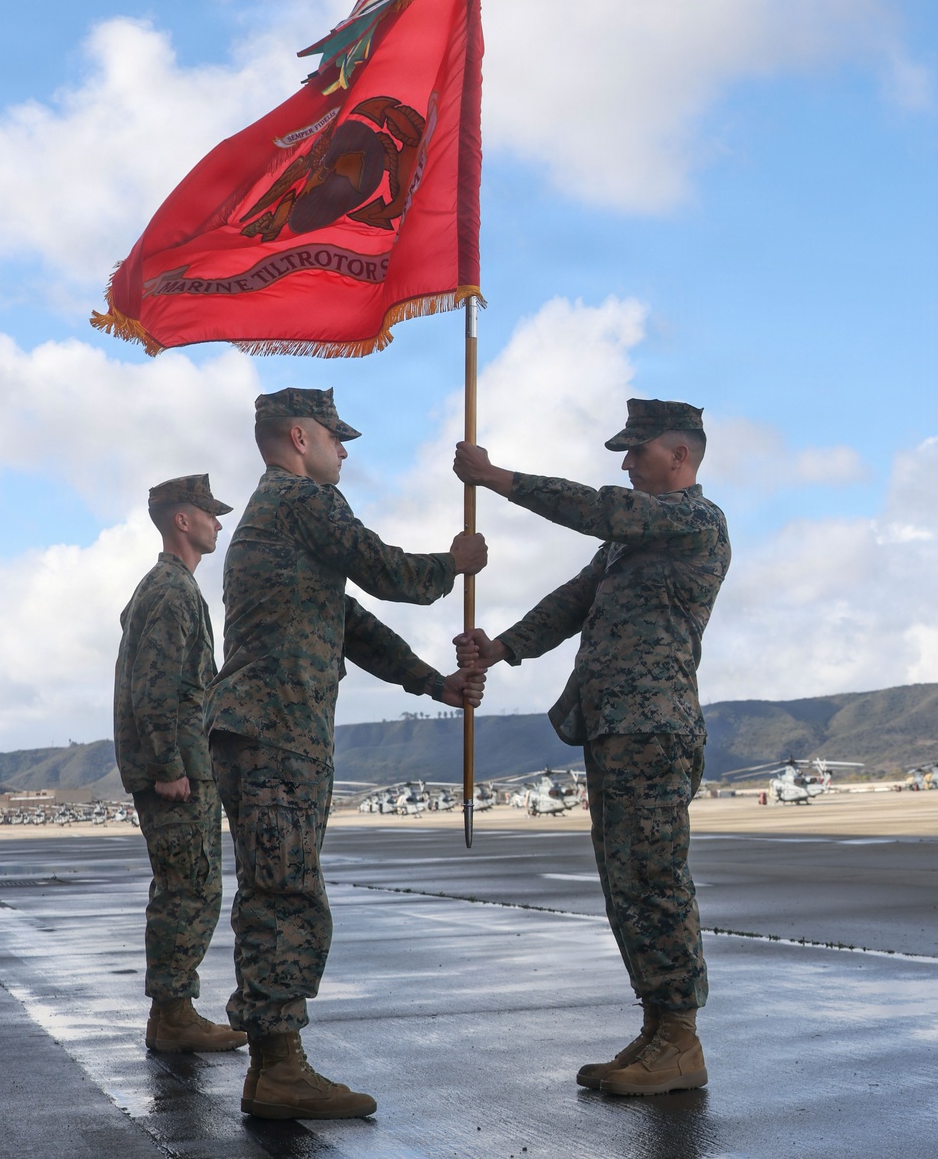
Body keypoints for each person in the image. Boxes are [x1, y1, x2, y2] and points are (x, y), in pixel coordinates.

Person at [205, 387, 488, 1122]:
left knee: (277, 887)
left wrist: (433, 684)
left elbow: (351, 623)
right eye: (337, 436)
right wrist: (452, 564)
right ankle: (278, 1067)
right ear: (300, 436)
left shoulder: (284, 520)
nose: (345, 449)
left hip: (269, 729)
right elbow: (384, 571)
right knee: (285, 895)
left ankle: (275, 1058)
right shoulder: (302, 502)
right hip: (276, 731)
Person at [453, 399, 730, 1097]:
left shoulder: (694, 520)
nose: (627, 463)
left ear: (681, 457)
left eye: (637, 451)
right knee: (626, 885)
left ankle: (681, 1039)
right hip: (613, 726)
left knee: (657, 883)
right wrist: (503, 648)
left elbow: (604, 508)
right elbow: (572, 599)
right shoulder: (626, 546)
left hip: (655, 728)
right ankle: (657, 1028)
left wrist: (500, 479)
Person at [113, 474, 246, 1055]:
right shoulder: (171, 590)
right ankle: (172, 1015)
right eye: (209, 513)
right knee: (188, 889)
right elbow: (155, 686)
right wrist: (169, 765)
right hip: (177, 771)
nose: (218, 522)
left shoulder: (172, 587)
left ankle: (174, 1010)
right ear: (181, 521)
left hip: (185, 763)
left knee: (188, 886)